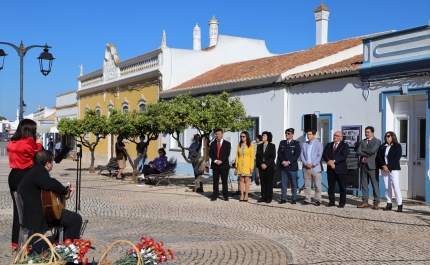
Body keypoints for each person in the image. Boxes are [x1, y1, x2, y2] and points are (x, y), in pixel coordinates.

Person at [17, 150, 82, 240]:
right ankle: (69, 249)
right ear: (47, 163)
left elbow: (49, 190)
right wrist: (65, 192)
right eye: (52, 162)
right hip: (37, 219)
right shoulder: (38, 173)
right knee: (76, 219)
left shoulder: (34, 171)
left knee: (65, 214)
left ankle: (59, 243)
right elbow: (52, 184)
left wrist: (63, 194)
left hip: (34, 214)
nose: (53, 164)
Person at [7, 119, 43, 253]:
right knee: (28, 210)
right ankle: (26, 243)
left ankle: (15, 243)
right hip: (26, 176)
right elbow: (38, 154)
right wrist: (39, 144)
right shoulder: (29, 142)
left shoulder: (12, 142)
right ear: (29, 130)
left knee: (17, 211)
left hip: (13, 176)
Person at [356, 126, 381, 209]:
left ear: (373, 133)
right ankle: (365, 201)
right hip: (363, 164)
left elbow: (373, 150)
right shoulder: (363, 141)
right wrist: (367, 153)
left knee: (375, 184)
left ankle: (376, 202)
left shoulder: (377, 141)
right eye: (366, 132)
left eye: (368, 132)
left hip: (372, 165)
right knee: (364, 184)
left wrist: (364, 150)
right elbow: (358, 152)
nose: (366, 133)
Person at [377, 131, 403, 212]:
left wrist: (388, 166)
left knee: (395, 186)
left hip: (393, 168)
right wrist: (384, 166)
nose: (386, 138)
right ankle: (389, 203)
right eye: (386, 136)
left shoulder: (397, 146)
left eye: (388, 136)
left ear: (392, 137)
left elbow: (396, 158)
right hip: (384, 168)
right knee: (387, 187)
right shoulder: (382, 146)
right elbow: (379, 157)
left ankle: (399, 204)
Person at [323, 131, 349, 208]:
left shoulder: (344, 145)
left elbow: (344, 156)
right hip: (331, 169)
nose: (335, 137)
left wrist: (334, 161)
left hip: (340, 169)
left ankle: (342, 203)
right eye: (334, 135)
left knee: (342, 187)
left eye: (337, 136)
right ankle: (331, 201)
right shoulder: (329, 145)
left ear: (341, 137)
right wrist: (329, 162)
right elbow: (324, 154)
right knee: (331, 187)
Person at [300, 130, 323, 206]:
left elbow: (319, 156)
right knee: (307, 185)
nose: (308, 136)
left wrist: (313, 164)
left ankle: (318, 200)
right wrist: (305, 163)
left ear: (314, 135)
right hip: (306, 167)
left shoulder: (319, 144)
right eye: (307, 134)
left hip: (315, 168)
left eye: (310, 134)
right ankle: (307, 199)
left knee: (317, 185)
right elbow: (302, 155)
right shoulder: (304, 144)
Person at [278, 128, 301, 204]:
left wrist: (289, 162)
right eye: (286, 133)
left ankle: (294, 198)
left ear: (292, 135)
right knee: (284, 183)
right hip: (283, 166)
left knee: (293, 183)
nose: (286, 135)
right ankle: (283, 198)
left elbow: (297, 154)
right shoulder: (282, 143)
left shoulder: (296, 143)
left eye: (288, 133)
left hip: (292, 167)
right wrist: (283, 161)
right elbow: (279, 154)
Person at [210, 128, 231, 201]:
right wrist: (215, 160)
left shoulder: (227, 143)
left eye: (218, 134)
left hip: (224, 165)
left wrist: (221, 161)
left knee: (224, 181)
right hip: (215, 165)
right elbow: (211, 153)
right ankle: (215, 195)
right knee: (215, 181)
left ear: (222, 134)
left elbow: (227, 154)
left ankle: (225, 195)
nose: (217, 135)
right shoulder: (212, 143)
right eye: (216, 134)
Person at [256, 131, 276, 203]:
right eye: (262, 136)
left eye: (264, 136)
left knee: (269, 182)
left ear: (268, 137)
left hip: (269, 166)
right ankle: (263, 196)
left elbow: (272, 156)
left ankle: (269, 197)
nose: (263, 137)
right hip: (261, 166)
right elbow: (257, 156)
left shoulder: (272, 146)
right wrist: (261, 164)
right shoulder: (259, 146)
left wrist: (266, 164)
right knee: (263, 182)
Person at [234, 131, 254, 202]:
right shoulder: (239, 145)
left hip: (247, 165)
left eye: (243, 136)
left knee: (246, 180)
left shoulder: (250, 145)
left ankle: (246, 195)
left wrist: (252, 167)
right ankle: (242, 195)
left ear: (246, 137)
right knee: (241, 180)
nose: (242, 138)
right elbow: (237, 156)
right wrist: (236, 167)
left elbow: (252, 157)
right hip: (240, 165)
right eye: (241, 136)